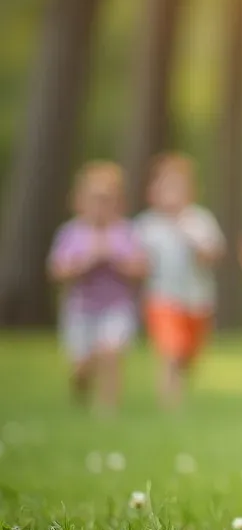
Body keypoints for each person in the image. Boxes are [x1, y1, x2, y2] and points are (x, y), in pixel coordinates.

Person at [47, 162, 147, 413]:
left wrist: (116, 259)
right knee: (82, 365)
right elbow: (57, 271)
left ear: (119, 203)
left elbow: (141, 269)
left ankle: (107, 410)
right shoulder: (71, 233)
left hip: (116, 308)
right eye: (95, 199)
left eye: (107, 199)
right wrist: (85, 261)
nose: (100, 206)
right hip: (80, 310)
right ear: (78, 201)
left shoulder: (125, 232)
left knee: (111, 354)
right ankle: (81, 387)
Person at [135, 153, 225, 409]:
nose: (172, 194)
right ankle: (170, 405)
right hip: (162, 298)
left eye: (178, 187)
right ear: (153, 191)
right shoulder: (147, 225)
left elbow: (214, 254)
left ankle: (177, 387)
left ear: (191, 191)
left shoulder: (199, 220)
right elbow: (137, 263)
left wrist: (192, 241)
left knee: (189, 355)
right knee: (171, 351)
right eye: (166, 188)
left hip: (198, 300)